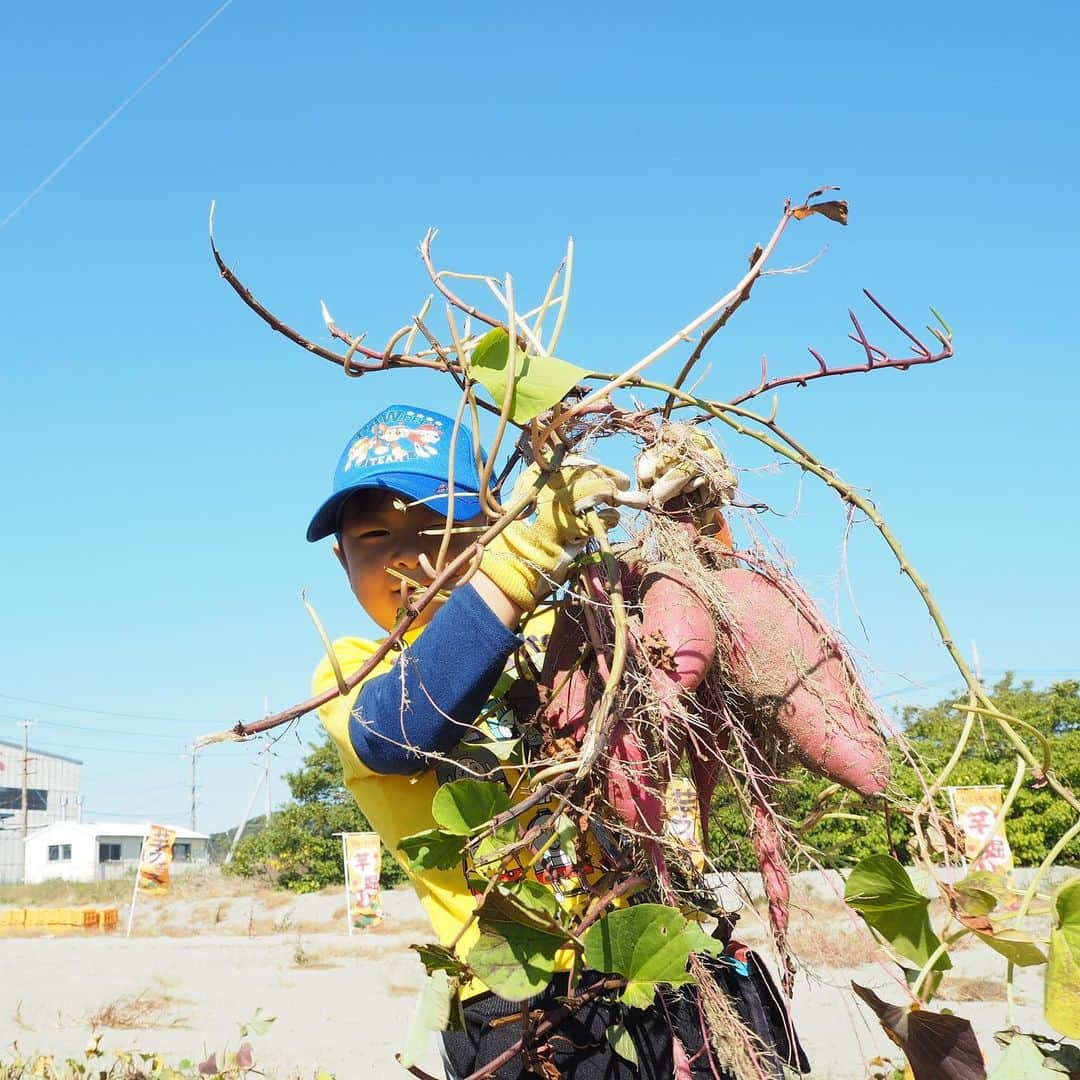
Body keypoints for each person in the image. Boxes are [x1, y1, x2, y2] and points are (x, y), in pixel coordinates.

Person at [307, 403, 806, 1079]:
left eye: (440, 522)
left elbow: (698, 647)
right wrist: (529, 555)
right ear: (341, 558)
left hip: (676, 958)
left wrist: (689, 517)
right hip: (531, 1009)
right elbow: (403, 732)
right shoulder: (354, 670)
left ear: (494, 523)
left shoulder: (573, 627)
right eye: (374, 534)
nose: (410, 553)